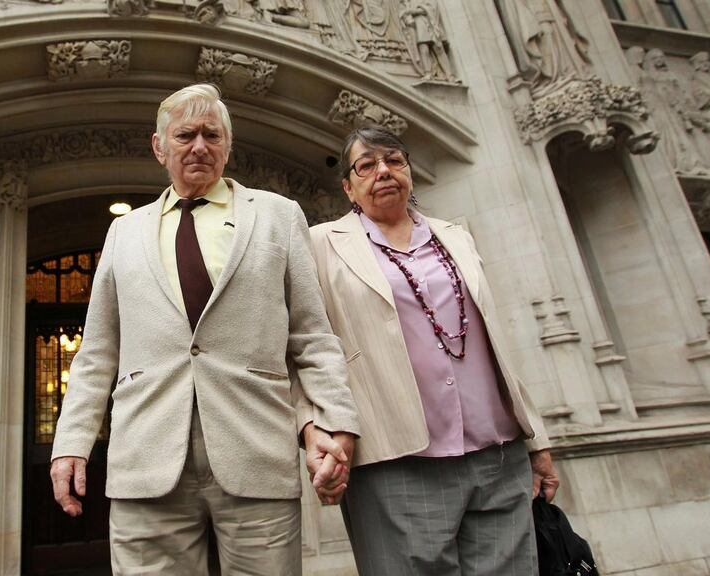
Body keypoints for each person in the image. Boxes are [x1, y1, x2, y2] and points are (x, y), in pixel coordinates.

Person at [49, 84, 359, 576]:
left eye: (212, 135)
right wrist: (71, 443)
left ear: (228, 145)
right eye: (185, 134)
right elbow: (97, 354)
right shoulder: (123, 232)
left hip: (256, 450)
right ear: (159, 147)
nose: (199, 146)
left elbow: (312, 337)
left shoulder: (279, 216)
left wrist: (335, 423)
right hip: (145, 458)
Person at [306, 124, 560, 575]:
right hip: (398, 459)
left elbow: (494, 342)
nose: (383, 171)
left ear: (409, 173)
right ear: (348, 186)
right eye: (367, 165)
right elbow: (306, 345)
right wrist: (316, 427)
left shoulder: (455, 236)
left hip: (496, 451)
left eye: (394, 161)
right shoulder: (321, 244)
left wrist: (536, 441)